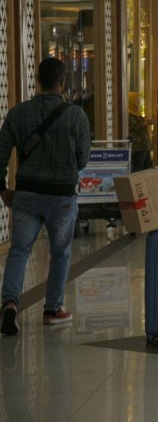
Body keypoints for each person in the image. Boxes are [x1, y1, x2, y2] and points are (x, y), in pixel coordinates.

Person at [0, 57, 91, 334]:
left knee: (19, 251)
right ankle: (52, 309)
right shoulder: (77, 115)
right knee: (60, 253)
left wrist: (3, 189)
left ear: (37, 80)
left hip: (26, 194)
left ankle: (10, 305)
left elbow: (0, 154)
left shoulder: (18, 113)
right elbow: (83, 159)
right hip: (62, 197)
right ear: (62, 83)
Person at [128, 91, 154, 173]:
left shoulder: (137, 113)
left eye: (138, 101)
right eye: (136, 101)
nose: (138, 103)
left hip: (144, 146)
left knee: (148, 168)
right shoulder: (128, 114)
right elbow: (134, 126)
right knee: (138, 169)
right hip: (137, 147)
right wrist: (145, 122)